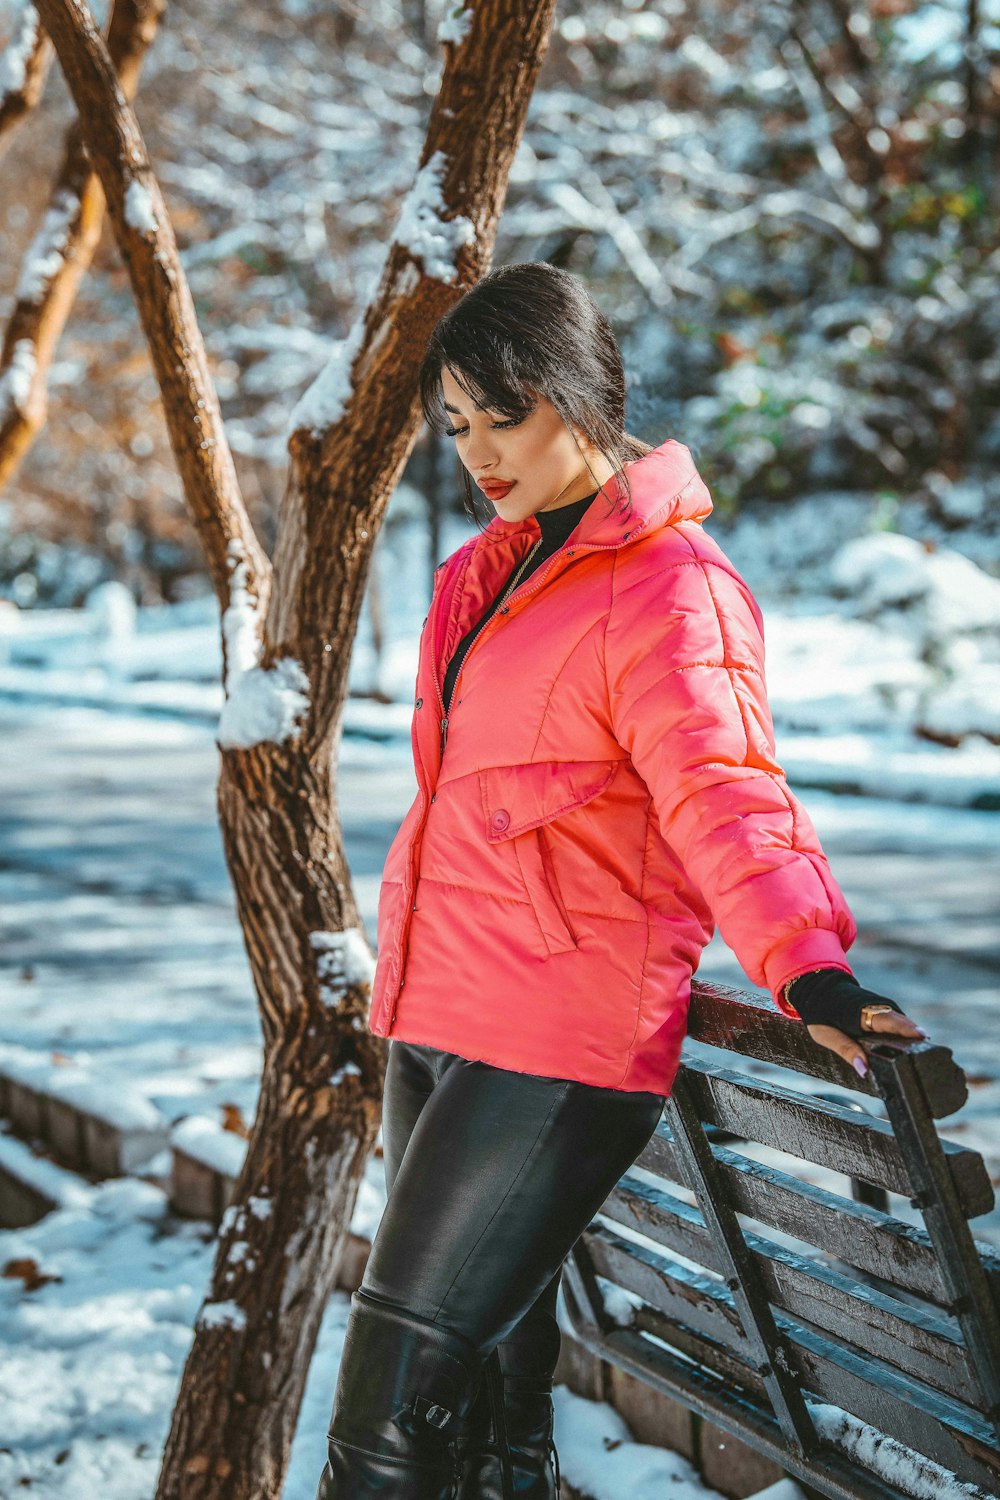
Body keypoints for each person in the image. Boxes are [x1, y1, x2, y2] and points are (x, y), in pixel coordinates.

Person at [314, 262, 927, 1500]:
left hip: (550, 1041)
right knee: (484, 1415)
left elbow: (724, 789)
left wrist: (806, 961)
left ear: (582, 397)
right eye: (457, 424)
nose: (479, 451)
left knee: (387, 1423)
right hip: (437, 1018)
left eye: (507, 414)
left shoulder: (667, 585)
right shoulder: (484, 576)